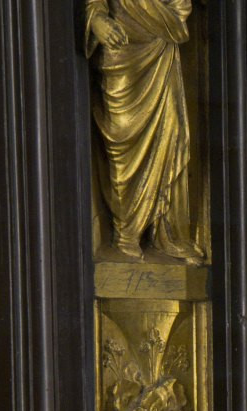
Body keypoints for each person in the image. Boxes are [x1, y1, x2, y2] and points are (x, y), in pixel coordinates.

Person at [85, 0, 203, 263]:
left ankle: (169, 233)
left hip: (160, 47)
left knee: (170, 136)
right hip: (121, 51)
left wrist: (170, 13)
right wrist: (96, 21)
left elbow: (180, 6)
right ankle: (125, 233)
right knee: (121, 138)